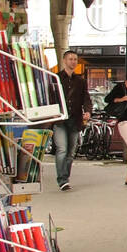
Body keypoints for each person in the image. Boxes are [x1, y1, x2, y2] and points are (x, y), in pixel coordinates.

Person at [52, 50, 90, 191]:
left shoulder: (80, 81)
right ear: (64, 61)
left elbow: (86, 98)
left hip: (75, 119)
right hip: (60, 119)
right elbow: (50, 97)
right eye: (70, 59)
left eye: (75, 59)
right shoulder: (55, 78)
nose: (73, 62)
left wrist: (87, 111)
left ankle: (65, 178)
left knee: (70, 151)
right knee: (62, 148)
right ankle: (62, 180)